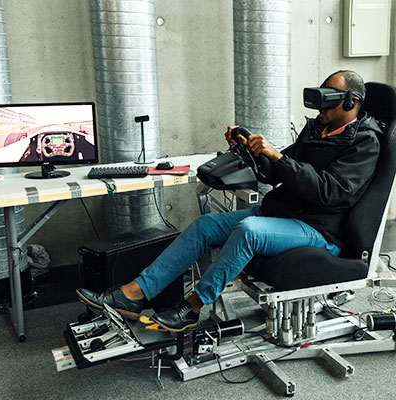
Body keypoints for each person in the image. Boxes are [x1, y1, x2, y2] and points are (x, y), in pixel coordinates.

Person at [77, 70, 382, 332]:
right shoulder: (319, 128)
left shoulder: (365, 141)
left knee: (250, 230)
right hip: (286, 214)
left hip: (320, 229)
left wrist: (277, 156)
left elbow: (329, 191)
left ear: (350, 102)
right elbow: (275, 174)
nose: (320, 108)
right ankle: (134, 293)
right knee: (206, 225)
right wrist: (252, 151)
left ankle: (192, 307)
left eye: (328, 99)